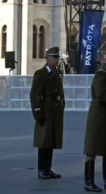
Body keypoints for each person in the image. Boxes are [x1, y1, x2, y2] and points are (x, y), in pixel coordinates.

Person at [83, 48, 106, 192]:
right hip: (98, 115)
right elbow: (102, 96)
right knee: (91, 148)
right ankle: (88, 181)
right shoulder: (101, 75)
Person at [30, 47, 65, 180]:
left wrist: (62, 105)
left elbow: (60, 91)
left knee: (51, 141)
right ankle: (41, 169)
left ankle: (48, 168)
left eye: (57, 58)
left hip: (55, 110)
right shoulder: (41, 73)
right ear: (47, 58)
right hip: (45, 109)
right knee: (43, 141)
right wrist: (38, 112)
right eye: (54, 58)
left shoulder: (58, 72)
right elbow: (35, 95)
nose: (57, 60)